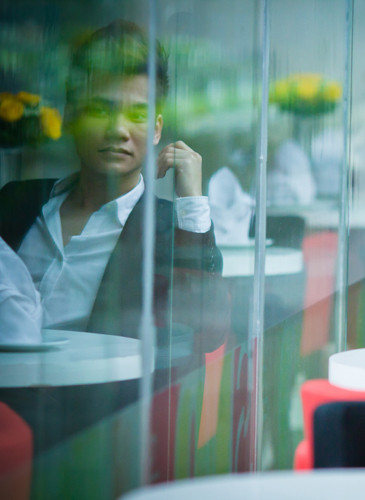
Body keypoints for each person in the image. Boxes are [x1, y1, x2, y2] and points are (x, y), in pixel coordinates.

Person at [0, 20, 227, 367]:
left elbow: (205, 333)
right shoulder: (17, 200)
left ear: (156, 130)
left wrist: (192, 203)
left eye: (136, 114)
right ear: (70, 116)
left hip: (95, 398)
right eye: (100, 109)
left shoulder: (168, 228)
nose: (117, 129)